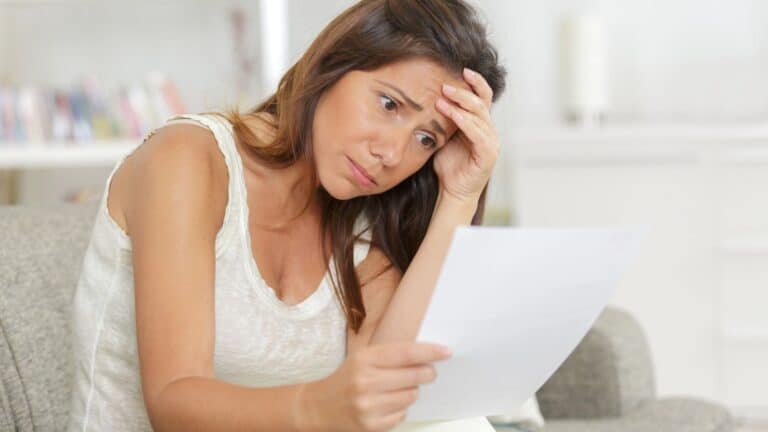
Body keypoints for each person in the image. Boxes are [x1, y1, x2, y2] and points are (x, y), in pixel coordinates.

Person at [67, 0, 506, 430]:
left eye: (427, 139)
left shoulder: (367, 219)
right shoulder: (187, 159)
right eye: (389, 104)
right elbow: (172, 401)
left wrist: (460, 195)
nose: (391, 154)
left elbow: (391, 396)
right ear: (332, 65)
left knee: (452, 423)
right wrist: (321, 407)